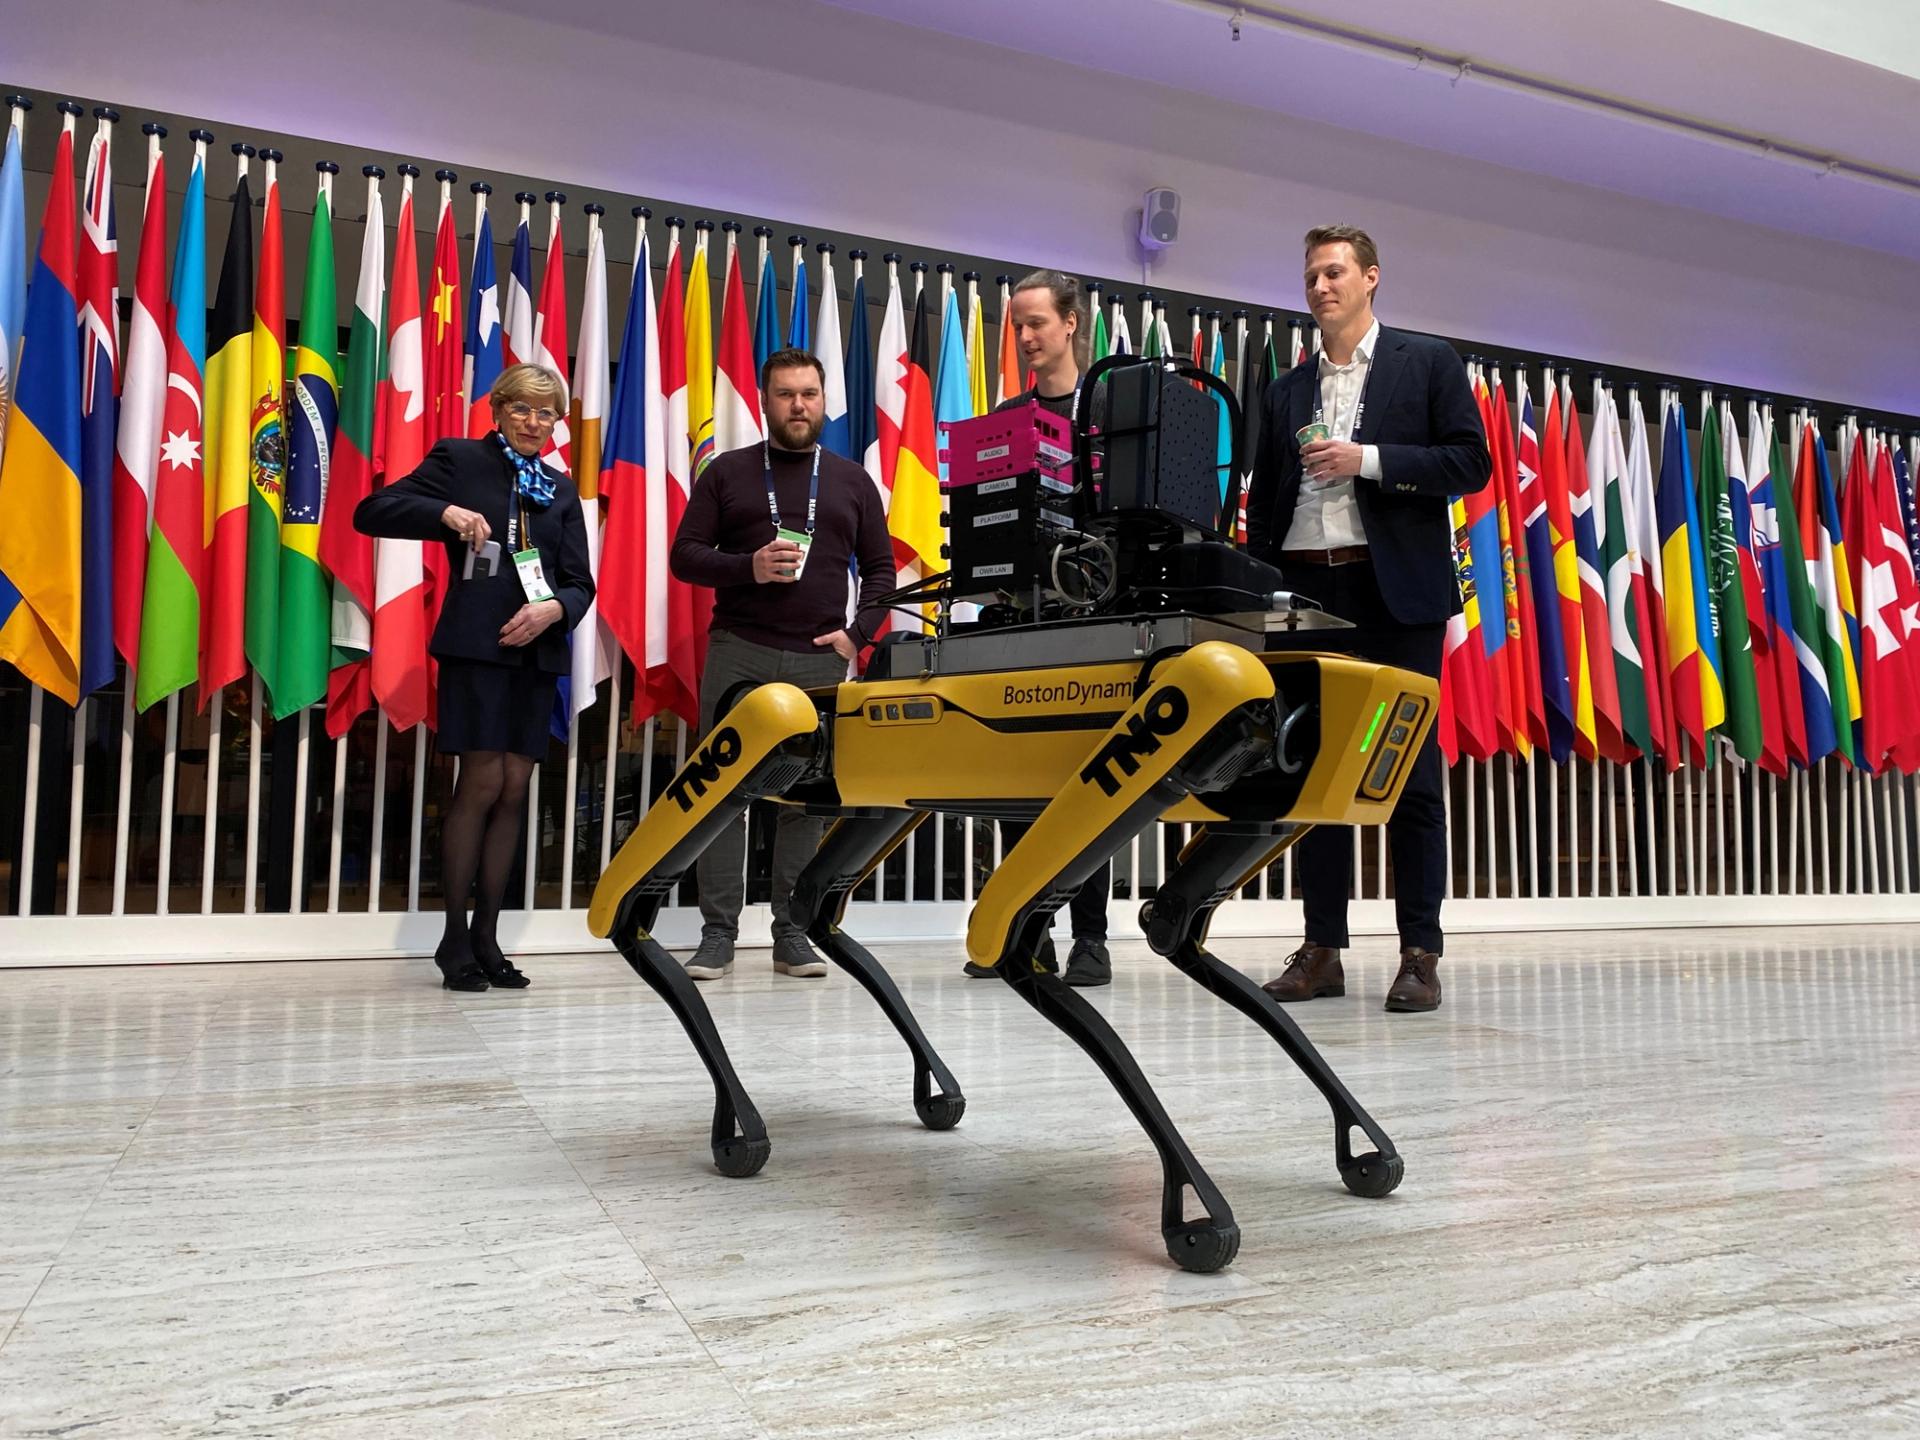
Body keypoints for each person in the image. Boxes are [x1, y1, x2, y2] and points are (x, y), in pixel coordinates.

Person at [1245, 225, 1489, 1013]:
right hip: (1310, 600)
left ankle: (1420, 951)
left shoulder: (1428, 362)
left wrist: (1368, 459)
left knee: (1410, 774)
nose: (1321, 286)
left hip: (1395, 599)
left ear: (1372, 278)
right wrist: (1260, 591)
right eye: (1311, 274)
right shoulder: (1284, 390)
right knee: (1315, 776)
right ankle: (1323, 949)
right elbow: (1266, 501)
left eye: (1335, 271)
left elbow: (1468, 462)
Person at [355, 363, 596, 992]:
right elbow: (373, 509)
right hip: (478, 647)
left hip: (536, 648)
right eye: (522, 409)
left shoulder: (560, 487)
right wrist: (446, 514)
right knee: (481, 781)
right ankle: (453, 937)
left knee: (516, 786)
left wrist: (556, 610)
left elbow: (579, 582)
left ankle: (489, 938)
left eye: (546, 414)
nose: (534, 423)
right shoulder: (460, 459)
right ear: (498, 409)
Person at [669, 347, 895, 981]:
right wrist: (747, 567)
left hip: (819, 660)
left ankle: (792, 931)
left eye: (810, 394)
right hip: (739, 648)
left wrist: (858, 636)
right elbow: (684, 555)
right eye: (786, 394)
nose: (799, 405)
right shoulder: (726, 473)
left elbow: (880, 570)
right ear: (765, 402)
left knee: (806, 799)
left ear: (824, 402)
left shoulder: (853, 480)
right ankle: (717, 935)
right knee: (721, 795)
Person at [959, 269, 1116, 987]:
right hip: (1020, 618)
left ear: (1071, 323)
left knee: (1090, 780)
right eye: (1016, 326)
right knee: (1019, 777)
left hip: (1094, 616)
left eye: (1037, 324)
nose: (1025, 338)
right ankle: (1024, 929)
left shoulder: (1110, 409)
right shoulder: (1008, 419)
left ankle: (1091, 939)